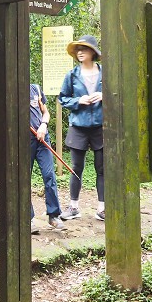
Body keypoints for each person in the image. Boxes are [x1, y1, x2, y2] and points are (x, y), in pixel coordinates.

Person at [58, 35, 105, 221]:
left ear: (92, 52)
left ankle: (102, 209)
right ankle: (73, 207)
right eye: (78, 49)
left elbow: (118, 94)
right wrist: (79, 100)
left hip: (101, 127)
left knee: (102, 169)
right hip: (78, 127)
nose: (79, 52)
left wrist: (104, 95)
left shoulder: (105, 73)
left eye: (83, 49)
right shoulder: (72, 75)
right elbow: (63, 98)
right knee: (76, 167)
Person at [29, 83, 66, 234]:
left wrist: (43, 125)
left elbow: (45, 112)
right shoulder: (11, 91)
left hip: (42, 138)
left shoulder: (35, 88)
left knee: (49, 175)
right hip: (24, 140)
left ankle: (54, 215)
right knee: (23, 179)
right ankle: (28, 219)